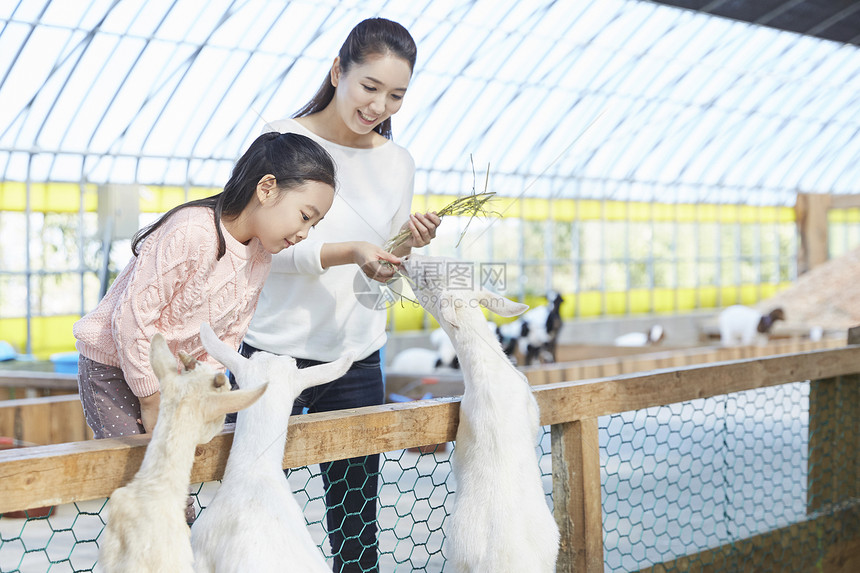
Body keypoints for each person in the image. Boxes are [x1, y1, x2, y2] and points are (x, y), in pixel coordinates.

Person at [239, 17, 440, 573]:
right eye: (369, 87)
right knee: (248, 508)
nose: (380, 105)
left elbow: (387, 263)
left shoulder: (398, 163)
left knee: (356, 528)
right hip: (269, 353)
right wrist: (347, 250)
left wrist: (405, 248)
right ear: (337, 71)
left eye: (396, 95)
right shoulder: (280, 139)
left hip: (353, 355)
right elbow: (255, 242)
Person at [73, 131, 336, 439]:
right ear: (266, 188)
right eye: (304, 216)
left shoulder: (261, 257)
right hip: (115, 366)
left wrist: (201, 395)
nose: (305, 233)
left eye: (313, 225)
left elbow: (225, 339)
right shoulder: (191, 230)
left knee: (174, 472)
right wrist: (150, 398)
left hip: (173, 380)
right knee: (137, 473)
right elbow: (131, 320)